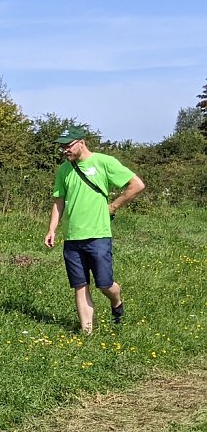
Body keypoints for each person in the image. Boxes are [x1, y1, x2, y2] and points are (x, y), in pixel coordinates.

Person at [45, 125, 145, 334]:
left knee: (105, 284)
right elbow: (58, 201)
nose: (65, 150)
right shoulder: (64, 170)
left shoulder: (103, 162)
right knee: (80, 285)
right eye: (62, 147)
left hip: (98, 235)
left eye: (68, 146)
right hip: (72, 237)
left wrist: (114, 206)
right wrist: (52, 229)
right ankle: (87, 334)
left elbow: (136, 184)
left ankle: (116, 302)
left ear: (82, 142)